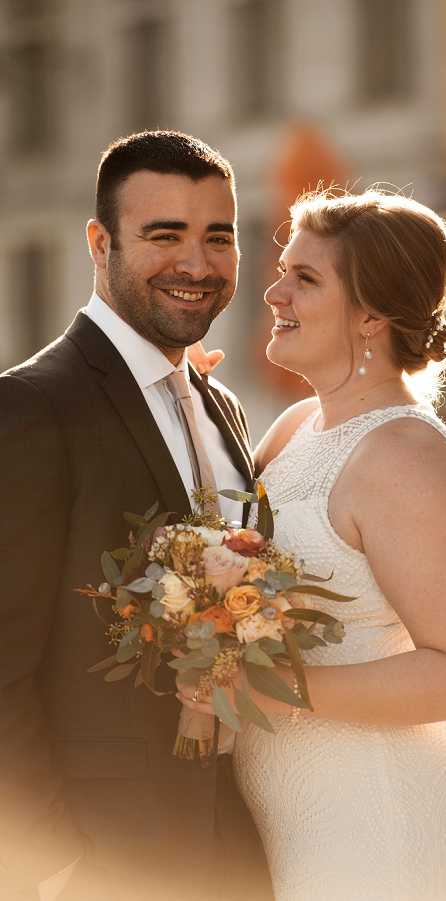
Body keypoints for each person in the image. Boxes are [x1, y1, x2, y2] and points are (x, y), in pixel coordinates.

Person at [182, 188, 446, 900]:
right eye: (282, 270)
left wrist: (269, 688)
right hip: (302, 814)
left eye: (305, 278)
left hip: (387, 818)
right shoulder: (299, 424)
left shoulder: (404, 453)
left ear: (370, 315)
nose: (273, 291)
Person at [0, 131, 272, 901]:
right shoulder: (29, 407)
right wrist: (48, 868)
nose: (196, 264)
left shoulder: (225, 410)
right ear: (99, 241)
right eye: (165, 236)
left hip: (235, 843)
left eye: (218, 237)